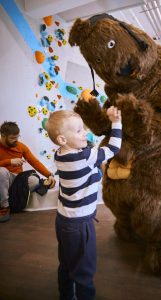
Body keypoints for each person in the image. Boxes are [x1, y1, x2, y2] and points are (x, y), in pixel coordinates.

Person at [45, 106, 122, 300]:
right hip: (80, 225)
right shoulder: (85, 156)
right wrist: (115, 121)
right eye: (79, 130)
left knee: (67, 263)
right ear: (62, 139)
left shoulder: (60, 155)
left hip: (63, 221)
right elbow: (113, 148)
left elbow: (88, 156)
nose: (85, 133)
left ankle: (65, 295)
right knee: (84, 270)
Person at [0, 121, 56, 222]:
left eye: (17, 137)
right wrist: (9, 162)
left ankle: (42, 182)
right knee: (1, 171)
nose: (16, 140)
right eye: (12, 138)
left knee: (34, 180)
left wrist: (49, 174)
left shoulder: (21, 146)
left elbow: (35, 162)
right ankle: (5, 207)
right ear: (3, 136)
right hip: (3, 177)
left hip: (17, 180)